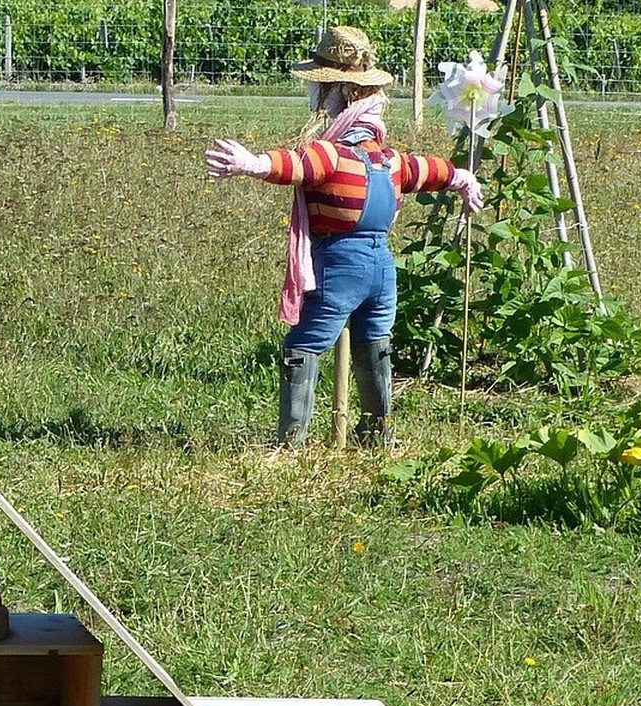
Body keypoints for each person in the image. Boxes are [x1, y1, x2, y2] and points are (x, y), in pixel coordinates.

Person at [205, 26, 483, 447]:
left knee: (306, 343)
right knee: (375, 342)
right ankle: (378, 436)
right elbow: (430, 170)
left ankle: (291, 441)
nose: (315, 99)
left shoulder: (329, 153)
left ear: (337, 94)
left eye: (321, 91)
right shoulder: (389, 160)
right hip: (382, 269)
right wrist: (463, 178)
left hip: (339, 266)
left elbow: (293, 166)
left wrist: (252, 163)